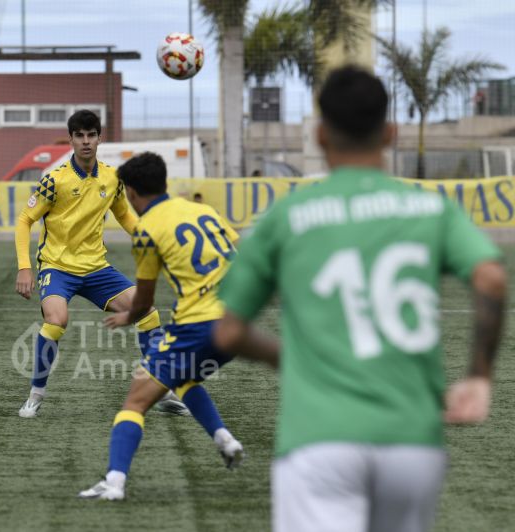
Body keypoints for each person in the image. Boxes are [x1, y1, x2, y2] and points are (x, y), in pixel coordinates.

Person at [214, 66, 507, 532]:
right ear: (390, 132)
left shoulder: (287, 216)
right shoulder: (431, 208)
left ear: (320, 134)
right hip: (413, 441)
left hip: (319, 439)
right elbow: (491, 278)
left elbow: (228, 331)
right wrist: (478, 377)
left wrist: (286, 356)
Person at [78, 152, 244, 501]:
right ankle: (224, 440)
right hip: (236, 322)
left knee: (135, 402)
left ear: (134, 195)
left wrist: (127, 317)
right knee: (183, 379)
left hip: (196, 326)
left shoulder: (147, 229)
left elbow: (143, 301)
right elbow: (240, 252)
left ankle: (114, 482)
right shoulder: (204, 211)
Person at [14, 110, 187, 418]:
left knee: (146, 311)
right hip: (57, 267)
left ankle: (161, 390)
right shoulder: (54, 181)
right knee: (57, 320)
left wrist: (151, 239)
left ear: (99, 138)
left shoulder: (112, 177)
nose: (85, 142)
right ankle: (35, 395)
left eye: (91, 135)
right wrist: (24, 267)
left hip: (97, 269)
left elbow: (125, 216)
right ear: (70, 140)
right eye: (79, 136)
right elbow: (25, 219)